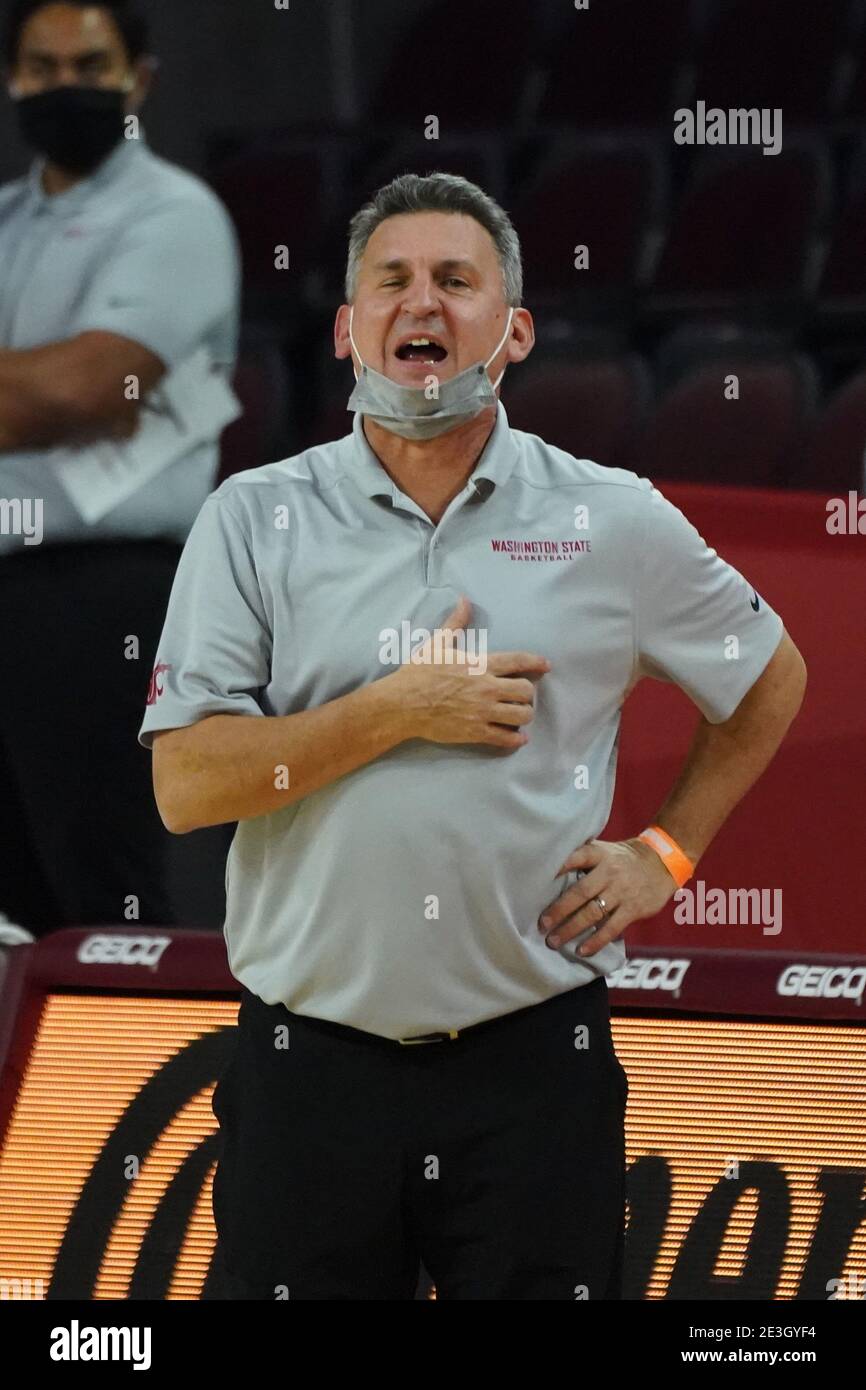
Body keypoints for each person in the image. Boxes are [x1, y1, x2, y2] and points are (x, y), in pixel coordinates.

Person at [140, 173, 807, 1300]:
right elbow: (186, 784)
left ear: (514, 329)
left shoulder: (610, 517)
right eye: (390, 281)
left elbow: (769, 677)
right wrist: (397, 710)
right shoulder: (252, 518)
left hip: (533, 1066)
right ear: (348, 327)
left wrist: (668, 853)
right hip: (308, 1070)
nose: (422, 306)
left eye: (456, 280)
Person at [0, 1, 241, 935]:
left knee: (117, 896)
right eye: (44, 65)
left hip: (108, 595)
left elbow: (83, 392)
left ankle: (149, 1079)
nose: (69, 86)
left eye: (92, 65)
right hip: (10, 588)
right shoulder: (7, 222)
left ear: (139, 78)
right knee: (16, 909)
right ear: (15, 80)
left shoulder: (176, 214)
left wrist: (40, 386)